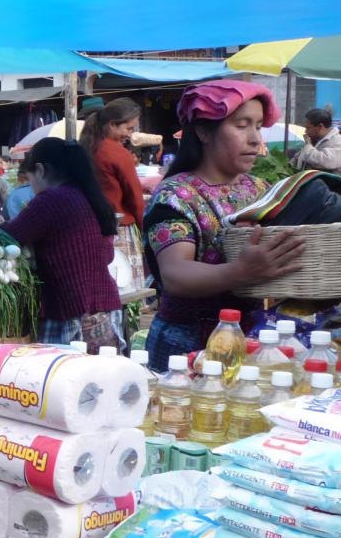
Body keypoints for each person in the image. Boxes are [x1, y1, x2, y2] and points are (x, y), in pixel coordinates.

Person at [143, 81, 305, 370]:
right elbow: (175, 274)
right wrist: (240, 272)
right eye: (242, 125)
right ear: (204, 131)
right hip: (188, 346)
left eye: (258, 126)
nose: (255, 139)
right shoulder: (176, 194)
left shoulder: (261, 189)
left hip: (252, 339)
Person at [0, 139, 123, 353]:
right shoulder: (90, 196)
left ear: (39, 169)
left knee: (62, 381)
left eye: (29, 179)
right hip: (105, 310)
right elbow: (107, 254)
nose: (31, 187)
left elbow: (8, 236)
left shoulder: (51, 199)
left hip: (71, 312)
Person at [81, 98, 145, 228]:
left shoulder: (85, 146)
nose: (130, 134)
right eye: (129, 129)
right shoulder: (117, 153)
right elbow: (135, 198)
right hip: (118, 224)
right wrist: (143, 227)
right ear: (112, 124)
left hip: (88, 223)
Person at [293, 108, 341, 173]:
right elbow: (297, 160)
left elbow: (325, 161)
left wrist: (308, 146)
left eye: (308, 128)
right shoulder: (314, 141)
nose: (306, 131)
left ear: (320, 126)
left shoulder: (337, 141)